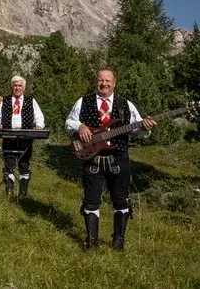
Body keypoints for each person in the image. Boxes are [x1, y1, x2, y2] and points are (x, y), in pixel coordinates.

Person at [65, 68, 156, 251]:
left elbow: (139, 132)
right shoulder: (83, 102)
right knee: (90, 201)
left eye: (108, 81)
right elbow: (68, 123)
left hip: (118, 159)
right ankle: (92, 242)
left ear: (114, 83)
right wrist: (80, 126)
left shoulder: (126, 105)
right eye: (101, 80)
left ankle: (118, 242)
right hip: (92, 160)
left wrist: (145, 127)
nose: (104, 84)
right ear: (96, 82)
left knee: (121, 200)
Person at [0, 75, 45, 197]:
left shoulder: (31, 101)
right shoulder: (4, 100)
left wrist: (39, 126)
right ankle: (9, 192)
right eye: (15, 85)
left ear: (24, 88)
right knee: (8, 163)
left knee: (24, 164)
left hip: (25, 137)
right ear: (11, 87)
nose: (17, 88)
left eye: (20, 85)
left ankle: (23, 193)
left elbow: (39, 116)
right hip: (8, 137)